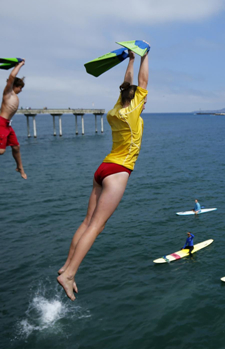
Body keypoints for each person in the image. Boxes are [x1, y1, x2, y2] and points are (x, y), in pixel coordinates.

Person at [57, 49, 150, 300]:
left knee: (87, 222)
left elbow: (128, 84)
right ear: (137, 100)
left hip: (103, 168)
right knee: (97, 226)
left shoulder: (115, 110)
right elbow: (142, 82)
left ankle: (67, 265)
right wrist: (144, 55)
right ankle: (69, 274)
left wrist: (130, 59)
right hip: (118, 171)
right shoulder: (132, 113)